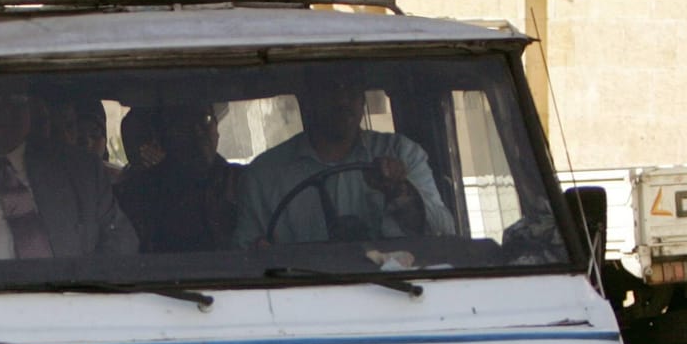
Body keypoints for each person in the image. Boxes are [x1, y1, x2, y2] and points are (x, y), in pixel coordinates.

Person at [229, 79, 454, 247]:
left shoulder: (403, 154)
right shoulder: (265, 174)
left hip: (400, 293)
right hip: (297, 299)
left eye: (352, 89)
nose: (343, 100)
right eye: (330, 89)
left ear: (363, 99)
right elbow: (246, 253)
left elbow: (443, 233)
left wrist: (401, 192)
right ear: (309, 100)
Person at [0, 86, 138, 261]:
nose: (6, 112)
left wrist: (84, 283)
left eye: (18, 98)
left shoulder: (81, 170)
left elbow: (122, 243)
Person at [116, 103, 239, 253]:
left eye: (205, 120)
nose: (198, 132)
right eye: (185, 124)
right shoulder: (142, 193)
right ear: (166, 136)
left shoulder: (243, 183)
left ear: (216, 126)